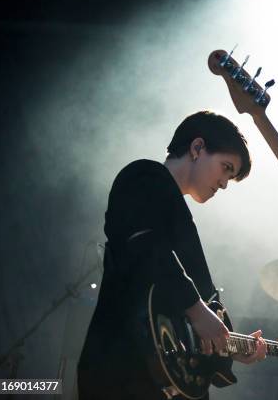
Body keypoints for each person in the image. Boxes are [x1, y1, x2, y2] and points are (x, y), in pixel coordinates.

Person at [78, 110, 266, 400]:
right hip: (124, 370)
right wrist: (197, 309)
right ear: (197, 148)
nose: (225, 183)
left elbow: (193, 317)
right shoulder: (143, 175)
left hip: (166, 383)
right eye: (225, 167)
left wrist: (227, 345)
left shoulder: (181, 217)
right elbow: (146, 246)